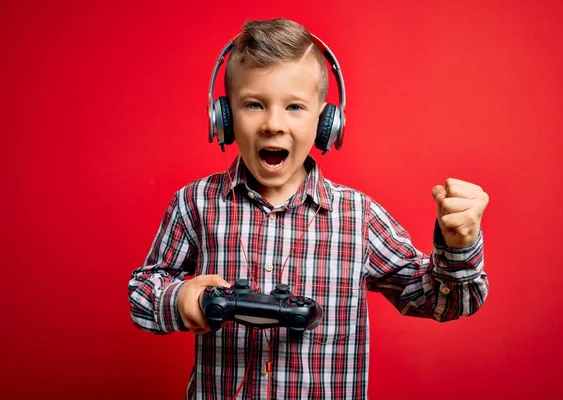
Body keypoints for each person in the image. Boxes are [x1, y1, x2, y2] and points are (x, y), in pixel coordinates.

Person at [128, 18, 490, 400]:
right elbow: (141, 292)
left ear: (326, 123)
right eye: (253, 104)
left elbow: (444, 301)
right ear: (224, 118)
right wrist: (181, 299)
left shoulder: (357, 217)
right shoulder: (196, 203)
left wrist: (458, 246)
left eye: (295, 107)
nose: (273, 124)